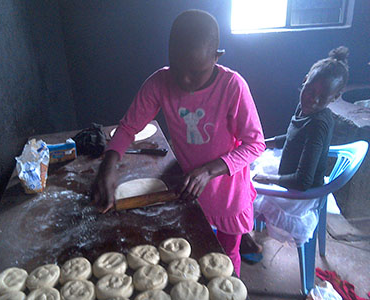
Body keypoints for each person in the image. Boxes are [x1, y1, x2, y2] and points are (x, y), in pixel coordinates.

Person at [92, 9, 265, 276]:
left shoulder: (233, 87)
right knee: (189, 256)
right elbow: (127, 128)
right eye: (177, 67)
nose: (184, 80)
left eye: (196, 73)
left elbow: (255, 144)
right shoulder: (160, 82)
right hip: (187, 191)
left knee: (226, 261)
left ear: (216, 57)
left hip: (227, 195)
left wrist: (209, 170)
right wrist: (109, 164)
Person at [248, 46, 349, 247]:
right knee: (249, 164)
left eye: (322, 97)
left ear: (334, 98)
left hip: (300, 194)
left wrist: (268, 179)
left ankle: (243, 238)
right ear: (304, 81)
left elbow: (303, 181)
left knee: (243, 188)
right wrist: (267, 143)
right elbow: (293, 137)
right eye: (310, 90)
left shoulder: (318, 123)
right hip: (290, 173)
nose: (313, 99)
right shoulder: (305, 107)